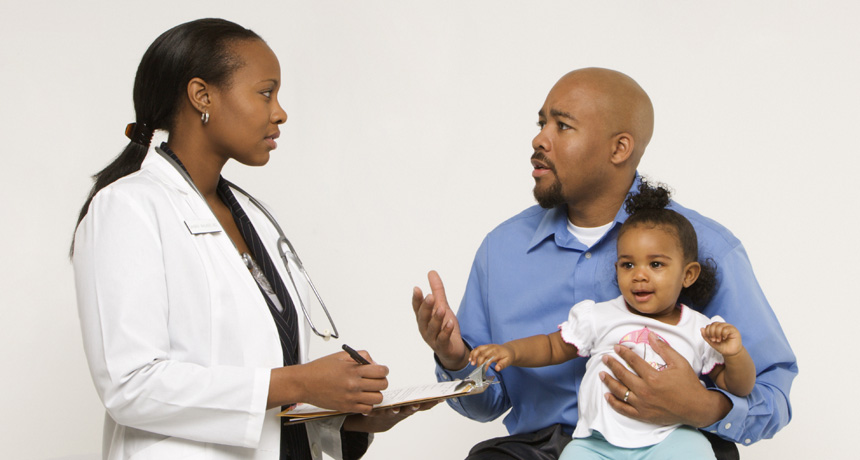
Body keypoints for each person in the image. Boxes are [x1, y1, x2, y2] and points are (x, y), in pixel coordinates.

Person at [72, 18, 429, 460]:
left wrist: (346, 413)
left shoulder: (252, 219)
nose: (279, 112)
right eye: (266, 92)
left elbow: (260, 391)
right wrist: (300, 381)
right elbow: (130, 385)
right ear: (202, 96)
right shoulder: (128, 208)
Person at [412, 67, 797, 459]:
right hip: (548, 449)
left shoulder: (704, 246)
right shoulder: (501, 250)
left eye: (562, 125)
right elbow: (488, 404)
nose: (538, 138)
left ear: (619, 148)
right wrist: (455, 358)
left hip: (669, 441)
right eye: (542, 122)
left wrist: (700, 406)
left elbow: (772, 394)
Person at [469, 182, 756, 460]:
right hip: (597, 444)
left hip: (671, 438)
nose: (639, 275)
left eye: (656, 264)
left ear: (688, 274)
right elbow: (551, 347)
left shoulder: (698, 328)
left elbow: (739, 387)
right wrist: (510, 352)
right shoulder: (601, 316)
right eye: (628, 264)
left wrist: (735, 355)